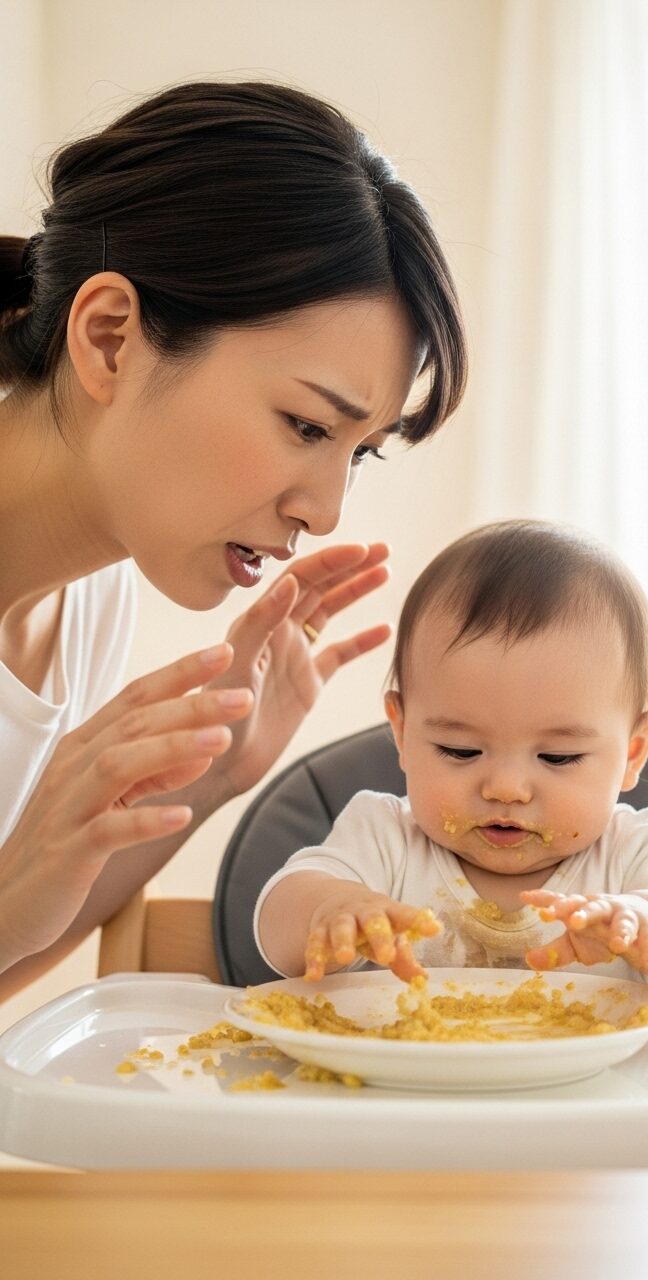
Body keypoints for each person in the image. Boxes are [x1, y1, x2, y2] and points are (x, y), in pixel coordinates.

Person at [0, 81, 467, 997]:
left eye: (359, 452)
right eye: (306, 425)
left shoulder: (90, 598)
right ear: (109, 338)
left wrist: (212, 775)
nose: (326, 511)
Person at [255, 520, 648, 1000]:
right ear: (402, 732)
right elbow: (278, 928)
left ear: (633, 751)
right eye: (460, 750)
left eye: (558, 756)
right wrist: (330, 910)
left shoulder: (635, 852)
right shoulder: (383, 840)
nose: (506, 788)